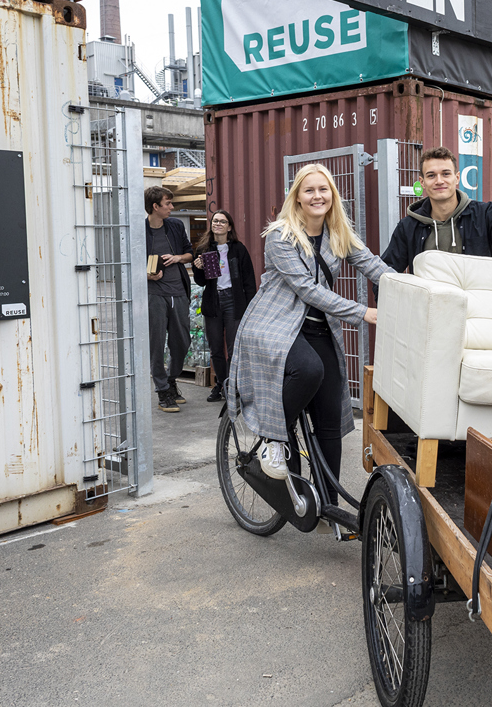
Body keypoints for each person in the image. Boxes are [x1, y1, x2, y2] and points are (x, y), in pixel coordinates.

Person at [227, 164, 390, 499]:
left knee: (330, 418)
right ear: (297, 198)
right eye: (309, 190)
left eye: (324, 189)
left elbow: (375, 266)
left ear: (332, 195)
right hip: (276, 324)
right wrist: (364, 312)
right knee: (309, 369)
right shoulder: (280, 236)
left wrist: (416, 288)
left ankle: (327, 503)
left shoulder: (339, 233)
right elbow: (308, 290)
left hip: (317, 328)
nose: (318, 196)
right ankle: (273, 438)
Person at [381, 147, 492, 273]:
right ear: (422, 182)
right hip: (428, 309)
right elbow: (387, 271)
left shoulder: (486, 214)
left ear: (457, 178)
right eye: (431, 175)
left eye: (446, 174)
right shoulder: (408, 226)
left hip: (475, 305)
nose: (439, 181)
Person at [192, 210, 257, 402]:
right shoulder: (204, 249)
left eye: (222, 221)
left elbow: (249, 281)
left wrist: (250, 307)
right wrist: (198, 268)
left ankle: (231, 385)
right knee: (216, 349)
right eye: (215, 221)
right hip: (213, 302)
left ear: (229, 227)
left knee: (234, 346)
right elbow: (202, 282)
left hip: (234, 301)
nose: (217, 224)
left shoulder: (238, 249)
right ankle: (221, 383)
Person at [145, 186, 194, 413]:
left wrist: (177, 258)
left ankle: (172, 379)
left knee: (182, 341)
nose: (172, 208)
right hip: (154, 294)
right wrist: (147, 274)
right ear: (155, 206)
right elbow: (129, 263)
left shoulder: (175, 226)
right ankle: (163, 390)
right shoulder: (139, 230)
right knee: (156, 343)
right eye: (168, 204)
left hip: (179, 291)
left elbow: (189, 254)